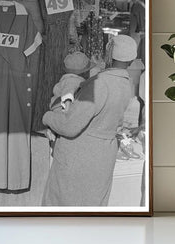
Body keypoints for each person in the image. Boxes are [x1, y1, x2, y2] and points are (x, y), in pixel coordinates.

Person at [42, 34, 137, 206]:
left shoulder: (99, 84)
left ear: (109, 53)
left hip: (80, 156)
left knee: (63, 212)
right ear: (130, 60)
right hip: (103, 156)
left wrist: (47, 117)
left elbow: (70, 126)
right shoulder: (125, 85)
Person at [47, 51, 95, 142]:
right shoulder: (73, 81)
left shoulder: (65, 79)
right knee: (57, 142)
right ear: (84, 71)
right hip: (62, 114)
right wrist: (67, 114)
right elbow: (67, 96)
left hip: (56, 111)